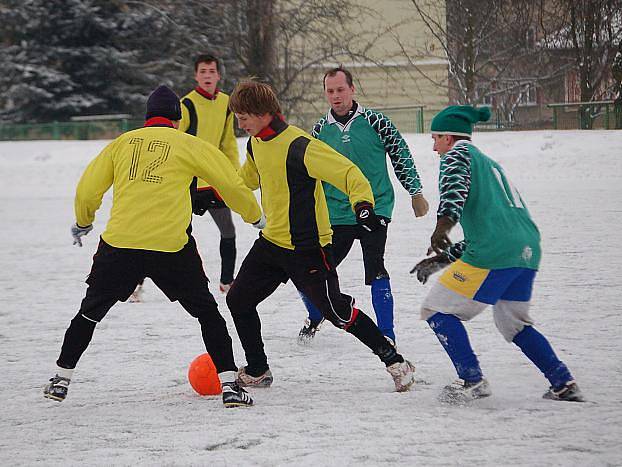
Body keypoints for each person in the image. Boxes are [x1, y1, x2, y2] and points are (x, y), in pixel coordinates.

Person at [44, 85, 265, 408]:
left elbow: (88, 188)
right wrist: (254, 215)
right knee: (207, 313)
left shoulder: (122, 143)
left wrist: (83, 221)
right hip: (170, 246)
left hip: (120, 244)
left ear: (147, 118)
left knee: (90, 313)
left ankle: (61, 378)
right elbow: (229, 181)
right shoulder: (189, 145)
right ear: (176, 120)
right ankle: (230, 385)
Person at [225, 79, 416, 392]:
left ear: (264, 113)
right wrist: (212, 189)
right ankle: (258, 370)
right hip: (272, 243)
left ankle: (396, 361)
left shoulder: (300, 146)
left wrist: (364, 206)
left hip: (308, 248)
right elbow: (246, 179)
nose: (239, 122)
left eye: (243, 116)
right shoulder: (255, 143)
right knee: (239, 299)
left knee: (338, 313)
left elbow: (349, 173)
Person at [411, 105, 584, 403]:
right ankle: (562, 382)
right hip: (526, 249)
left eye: (436, 137)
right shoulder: (489, 164)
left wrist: (443, 225)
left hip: (495, 251)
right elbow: (487, 233)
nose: (434, 146)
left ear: (450, 138)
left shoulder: (457, 155)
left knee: (436, 310)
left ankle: (472, 380)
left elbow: (454, 191)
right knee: (514, 323)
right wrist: (441, 259)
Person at [297, 66, 429, 343]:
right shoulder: (320, 130)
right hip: (337, 212)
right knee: (315, 268)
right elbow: (309, 169)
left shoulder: (376, 121)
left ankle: (387, 334)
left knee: (375, 265)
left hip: (375, 206)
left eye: (340, 89)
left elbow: (400, 153)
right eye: (330, 91)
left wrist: (415, 191)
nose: (336, 96)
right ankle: (316, 314)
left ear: (352, 89)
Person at [180, 53, 241, 294]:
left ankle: (227, 282)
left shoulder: (227, 102)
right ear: (196, 75)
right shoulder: (187, 104)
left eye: (211, 71)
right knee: (173, 232)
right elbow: (177, 140)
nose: (207, 76)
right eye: (202, 71)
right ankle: (139, 281)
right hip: (189, 182)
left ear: (218, 75)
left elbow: (228, 142)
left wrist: (234, 174)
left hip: (213, 181)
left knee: (228, 231)